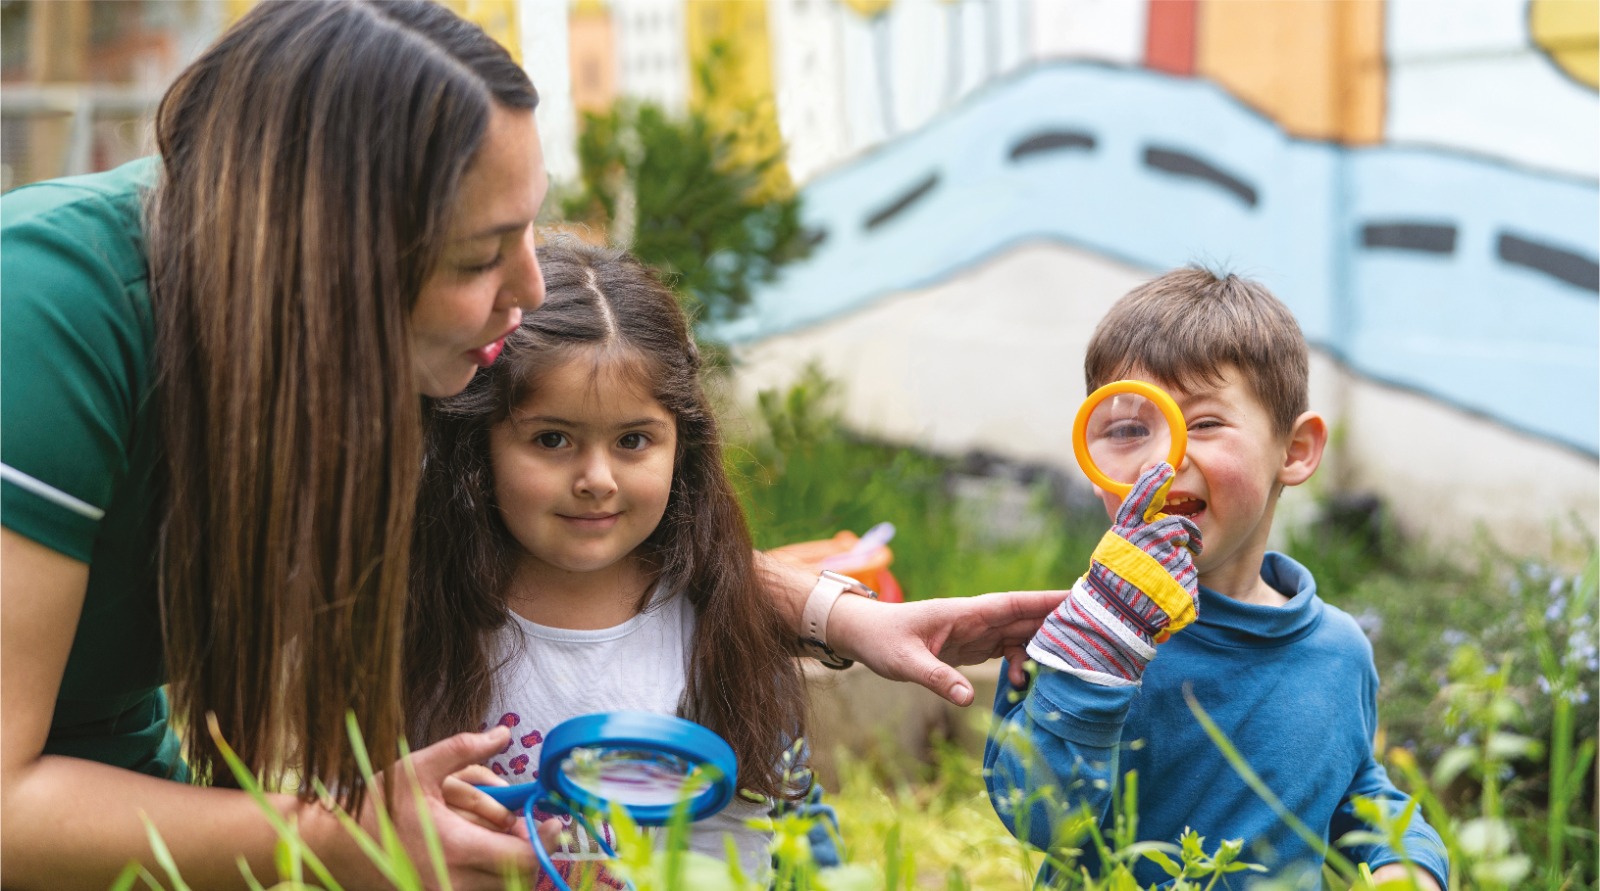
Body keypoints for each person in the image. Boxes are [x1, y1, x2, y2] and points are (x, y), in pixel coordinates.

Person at [0, 2, 1061, 889]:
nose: (532, 289)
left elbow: (616, 555)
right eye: (480, 253)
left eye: (528, 229)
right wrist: (337, 838)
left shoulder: (383, 340)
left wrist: (843, 619)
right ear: (333, 261)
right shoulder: (45, 322)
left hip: (107, 764)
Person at [983, 268, 1449, 888]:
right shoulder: (1078, 632)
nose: (1162, 458)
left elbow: (1353, 785)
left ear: (1295, 450)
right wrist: (1100, 650)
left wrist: (1405, 856)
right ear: (1094, 463)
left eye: (1202, 424)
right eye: (1127, 429)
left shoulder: (1339, 653)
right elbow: (1037, 816)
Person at [411, 240, 828, 885]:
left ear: (680, 444)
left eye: (633, 440)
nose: (597, 479)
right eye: (552, 439)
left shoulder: (710, 616)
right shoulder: (427, 609)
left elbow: (731, 832)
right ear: (478, 444)